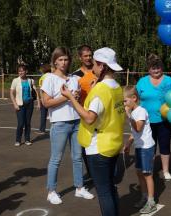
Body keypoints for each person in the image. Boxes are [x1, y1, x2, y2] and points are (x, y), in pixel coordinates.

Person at [61, 47, 125, 216]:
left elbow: (89, 118)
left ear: (102, 66)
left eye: (96, 65)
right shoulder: (117, 87)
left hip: (99, 147)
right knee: (110, 186)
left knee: (103, 192)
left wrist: (71, 98)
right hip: (113, 144)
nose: (93, 68)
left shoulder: (100, 90)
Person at [41, 47, 94, 205]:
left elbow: (76, 100)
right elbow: (46, 102)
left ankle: (79, 187)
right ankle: (51, 191)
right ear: (55, 61)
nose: (64, 63)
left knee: (77, 158)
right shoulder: (49, 78)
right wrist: (67, 97)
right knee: (56, 159)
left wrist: (75, 97)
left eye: (66, 59)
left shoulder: (73, 79)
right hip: (60, 123)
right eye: (60, 60)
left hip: (77, 121)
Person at [136, 54, 171, 181]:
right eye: (153, 68)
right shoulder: (141, 82)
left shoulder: (169, 81)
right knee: (150, 147)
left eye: (158, 67)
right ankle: (150, 170)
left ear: (162, 67)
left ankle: (165, 171)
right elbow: (135, 98)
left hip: (165, 120)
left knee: (165, 145)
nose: (156, 70)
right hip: (146, 121)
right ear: (148, 69)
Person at [123, 86, 157, 214]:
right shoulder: (134, 112)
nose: (124, 104)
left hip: (146, 147)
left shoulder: (141, 111)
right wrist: (128, 144)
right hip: (139, 147)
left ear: (134, 98)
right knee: (139, 172)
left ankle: (151, 201)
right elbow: (134, 133)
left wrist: (128, 115)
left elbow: (137, 127)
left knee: (147, 174)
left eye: (125, 101)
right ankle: (144, 196)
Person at [72, 45, 97, 180]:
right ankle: (91, 173)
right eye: (85, 56)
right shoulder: (76, 75)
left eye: (90, 55)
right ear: (80, 58)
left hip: (98, 114)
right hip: (83, 115)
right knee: (84, 146)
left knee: (98, 145)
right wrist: (75, 96)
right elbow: (73, 97)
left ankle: (104, 173)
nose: (88, 58)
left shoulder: (98, 71)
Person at [10, 64, 40, 146]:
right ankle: (18, 140)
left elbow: (35, 92)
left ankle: (27, 139)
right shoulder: (15, 80)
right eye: (19, 71)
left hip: (29, 104)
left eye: (22, 70)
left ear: (26, 71)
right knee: (20, 123)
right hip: (19, 104)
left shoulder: (31, 80)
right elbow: (11, 93)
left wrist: (38, 102)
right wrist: (15, 104)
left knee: (27, 123)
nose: (21, 72)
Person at [36, 64, 51, 135]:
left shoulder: (42, 77)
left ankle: (42, 129)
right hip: (53, 98)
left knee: (43, 115)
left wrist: (42, 99)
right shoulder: (53, 75)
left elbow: (41, 90)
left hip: (45, 98)